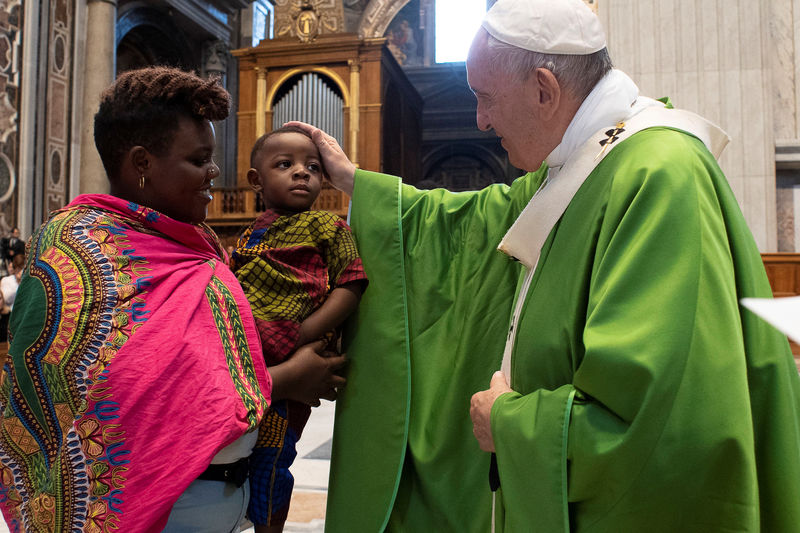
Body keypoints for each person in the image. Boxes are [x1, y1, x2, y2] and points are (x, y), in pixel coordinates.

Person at [290, 0, 800, 531]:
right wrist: (357, 184)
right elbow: (471, 224)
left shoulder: (658, 174)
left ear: (543, 89)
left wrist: (509, 425)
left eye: (485, 99)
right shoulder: (581, 164)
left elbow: (663, 417)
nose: (481, 120)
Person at [0, 67, 344, 533]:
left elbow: (223, 354)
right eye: (199, 159)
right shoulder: (78, 245)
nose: (213, 172)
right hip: (155, 511)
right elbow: (129, 391)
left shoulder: (198, 241)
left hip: (227, 501)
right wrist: (288, 379)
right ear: (142, 163)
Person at [231, 126, 367, 532]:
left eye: (312, 167)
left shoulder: (328, 227)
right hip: (247, 357)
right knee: (239, 452)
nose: (301, 173)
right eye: (285, 165)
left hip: (293, 355)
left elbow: (352, 283)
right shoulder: (249, 232)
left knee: (274, 454)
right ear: (256, 180)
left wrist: (306, 332)